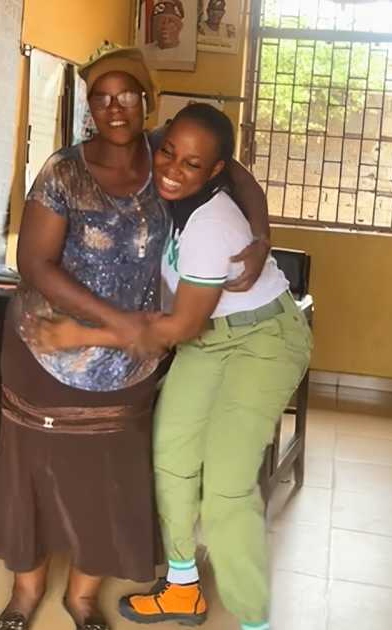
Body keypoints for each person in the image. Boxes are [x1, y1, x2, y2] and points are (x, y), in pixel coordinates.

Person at [0, 45, 273, 630]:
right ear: (90, 107)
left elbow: (233, 170)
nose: (114, 108)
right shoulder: (63, 170)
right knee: (31, 473)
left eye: (127, 95)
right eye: (100, 98)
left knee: (108, 479)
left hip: (128, 365)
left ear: (148, 101)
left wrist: (260, 237)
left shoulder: (170, 157)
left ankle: (81, 596)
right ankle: (25, 593)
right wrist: (115, 324)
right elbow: (34, 262)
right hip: (48, 344)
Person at [36, 104, 312, 630]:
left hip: (262, 340)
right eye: (169, 153)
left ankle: (255, 619)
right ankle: (182, 590)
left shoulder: (211, 225)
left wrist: (80, 333)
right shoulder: (156, 162)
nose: (171, 168)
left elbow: (180, 328)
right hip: (210, 337)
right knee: (171, 453)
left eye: (192, 164)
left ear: (212, 171)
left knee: (228, 484)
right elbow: (239, 175)